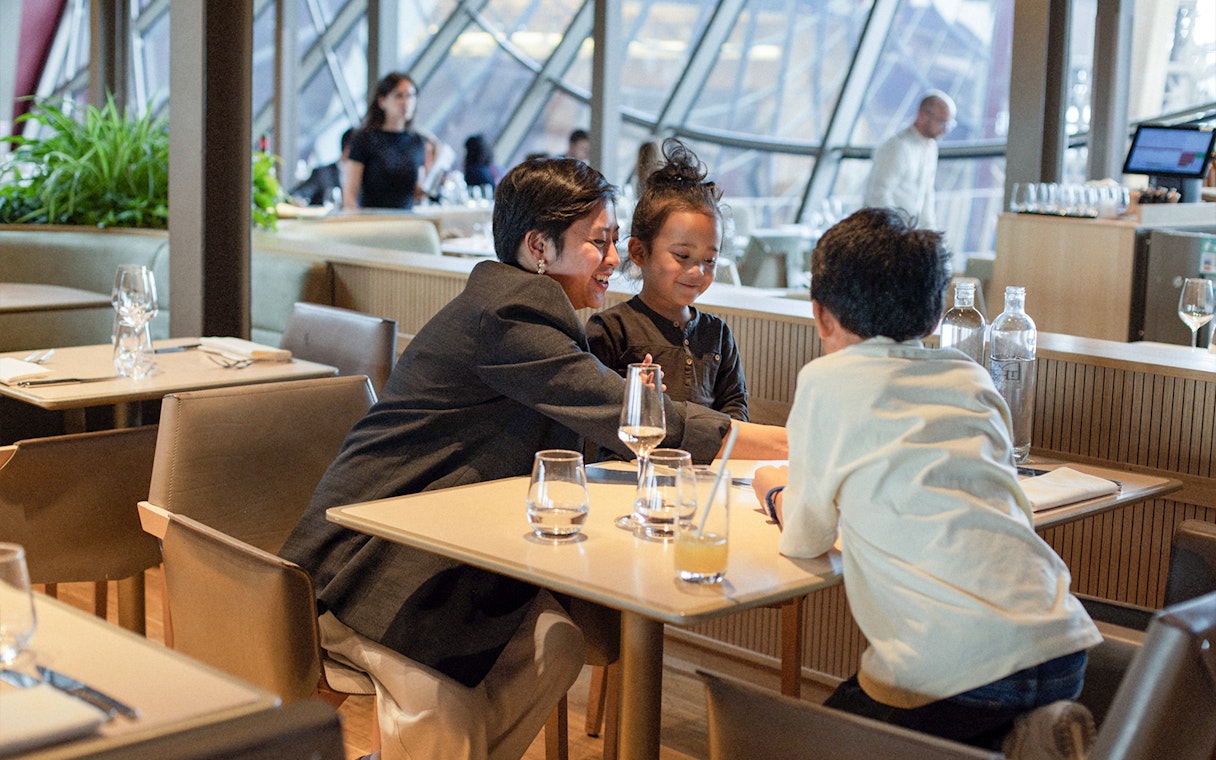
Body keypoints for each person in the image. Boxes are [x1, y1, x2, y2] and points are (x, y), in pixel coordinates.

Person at [280, 157, 786, 760]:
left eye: (614, 240)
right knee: (449, 710)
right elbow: (634, 414)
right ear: (538, 247)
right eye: (598, 242)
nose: (613, 258)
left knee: (558, 645)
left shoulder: (525, 305)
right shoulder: (512, 311)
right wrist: (794, 443)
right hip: (372, 563)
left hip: (447, 554)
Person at [750, 207, 1100, 753]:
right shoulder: (972, 377)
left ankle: (1013, 737)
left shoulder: (828, 381)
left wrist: (773, 487)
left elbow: (804, 537)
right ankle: (1023, 739)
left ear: (820, 314)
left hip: (956, 665)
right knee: (960, 729)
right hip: (1060, 643)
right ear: (937, 317)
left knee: (808, 742)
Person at [588, 138, 747, 422]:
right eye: (682, 256)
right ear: (639, 251)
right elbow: (594, 417)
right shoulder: (612, 330)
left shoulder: (717, 334)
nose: (698, 271)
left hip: (702, 464)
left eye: (709, 260)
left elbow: (734, 408)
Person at [862, 90, 956, 229]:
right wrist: (899, 232)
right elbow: (878, 194)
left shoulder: (931, 148)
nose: (945, 130)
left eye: (949, 125)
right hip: (885, 233)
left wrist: (931, 234)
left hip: (909, 235)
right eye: (942, 123)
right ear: (923, 116)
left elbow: (926, 195)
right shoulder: (897, 146)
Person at [343, 72, 427, 210]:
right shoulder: (364, 139)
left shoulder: (417, 141)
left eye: (410, 96)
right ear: (382, 101)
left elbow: (416, 190)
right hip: (373, 221)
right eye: (399, 96)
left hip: (407, 220)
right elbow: (350, 193)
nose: (406, 102)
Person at [290, 127, 354, 207]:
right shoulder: (323, 173)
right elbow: (297, 194)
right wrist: (298, 201)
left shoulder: (367, 177)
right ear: (347, 150)